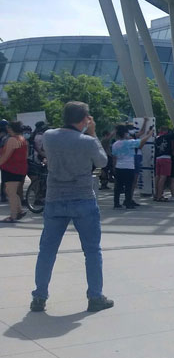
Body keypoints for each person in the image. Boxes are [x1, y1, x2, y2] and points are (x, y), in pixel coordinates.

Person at [31, 101, 113, 312]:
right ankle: (95, 297)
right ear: (85, 119)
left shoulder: (49, 135)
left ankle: (39, 296)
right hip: (82, 198)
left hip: (55, 198)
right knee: (92, 251)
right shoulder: (87, 141)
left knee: (47, 250)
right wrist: (93, 133)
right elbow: (102, 162)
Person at [110, 120, 151, 210]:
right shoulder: (129, 142)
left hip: (119, 167)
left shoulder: (115, 144)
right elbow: (141, 142)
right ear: (125, 134)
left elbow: (114, 157)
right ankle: (128, 203)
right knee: (128, 186)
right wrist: (149, 135)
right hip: (129, 167)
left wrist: (114, 167)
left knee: (118, 186)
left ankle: (116, 203)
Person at [0, 120, 28, 223]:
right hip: (19, 168)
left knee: (11, 192)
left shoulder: (12, 139)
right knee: (10, 191)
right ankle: (19, 210)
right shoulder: (22, 139)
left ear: (11, 128)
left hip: (11, 169)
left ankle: (13, 215)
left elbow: (6, 156)